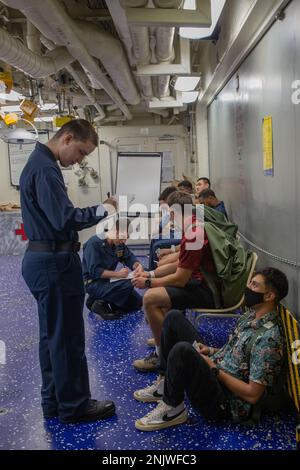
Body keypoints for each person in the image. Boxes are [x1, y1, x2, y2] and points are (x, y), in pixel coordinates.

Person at [20, 119, 116, 424]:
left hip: (45, 259)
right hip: (53, 263)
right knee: (67, 338)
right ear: (67, 138)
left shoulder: (40, 164)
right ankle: (74, 406)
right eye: (81, 152)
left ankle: (54, 401)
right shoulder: (46, 168)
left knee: (53, 337)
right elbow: (63, 219)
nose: (80, 160)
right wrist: (103, 209)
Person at [134, 268, 289, 431]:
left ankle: (173, 408)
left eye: (255, 285)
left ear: (269, 296)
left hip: (224, 402)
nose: (248, 287)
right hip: (217, 369)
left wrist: (214, 369)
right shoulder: (251, 316)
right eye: (250, 282)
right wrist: (211, 351)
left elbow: (252, 394)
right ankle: (165, 385)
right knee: (173, 318)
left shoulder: (268, 338)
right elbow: (235, 351)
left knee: (182, 350)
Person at [132, 191, 216, 372]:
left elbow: (180, 278)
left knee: (150, 298)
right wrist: (151, 275)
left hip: (208, 290)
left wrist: (148, 284)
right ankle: (164, 341)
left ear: (172, 213)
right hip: (201, 282)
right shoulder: (194, 226)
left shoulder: (194, 232)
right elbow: (181, 262)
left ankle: (162, 357)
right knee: (158, 292)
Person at [83, 218, 144, 319]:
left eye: (126, 239)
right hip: (93, 283)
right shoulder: (94, 243)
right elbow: (95, 271)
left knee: (137, 303)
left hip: (108, 281)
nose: (123, 241)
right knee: (129, 283)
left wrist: (138, 266)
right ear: (116, 231)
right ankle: (99, 302)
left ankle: (100, 299)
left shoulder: (118, 244)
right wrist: (118, 274)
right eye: (123, 238)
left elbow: (129, 258)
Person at [148, 186, 181, 271]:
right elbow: (166, 218)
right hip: (178, 233)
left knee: (157, 245)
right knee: (154, 239)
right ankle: (151, 268)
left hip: (182, 236)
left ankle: (156, 271)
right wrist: (159, 229)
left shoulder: (179, 206)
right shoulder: (172, 206)